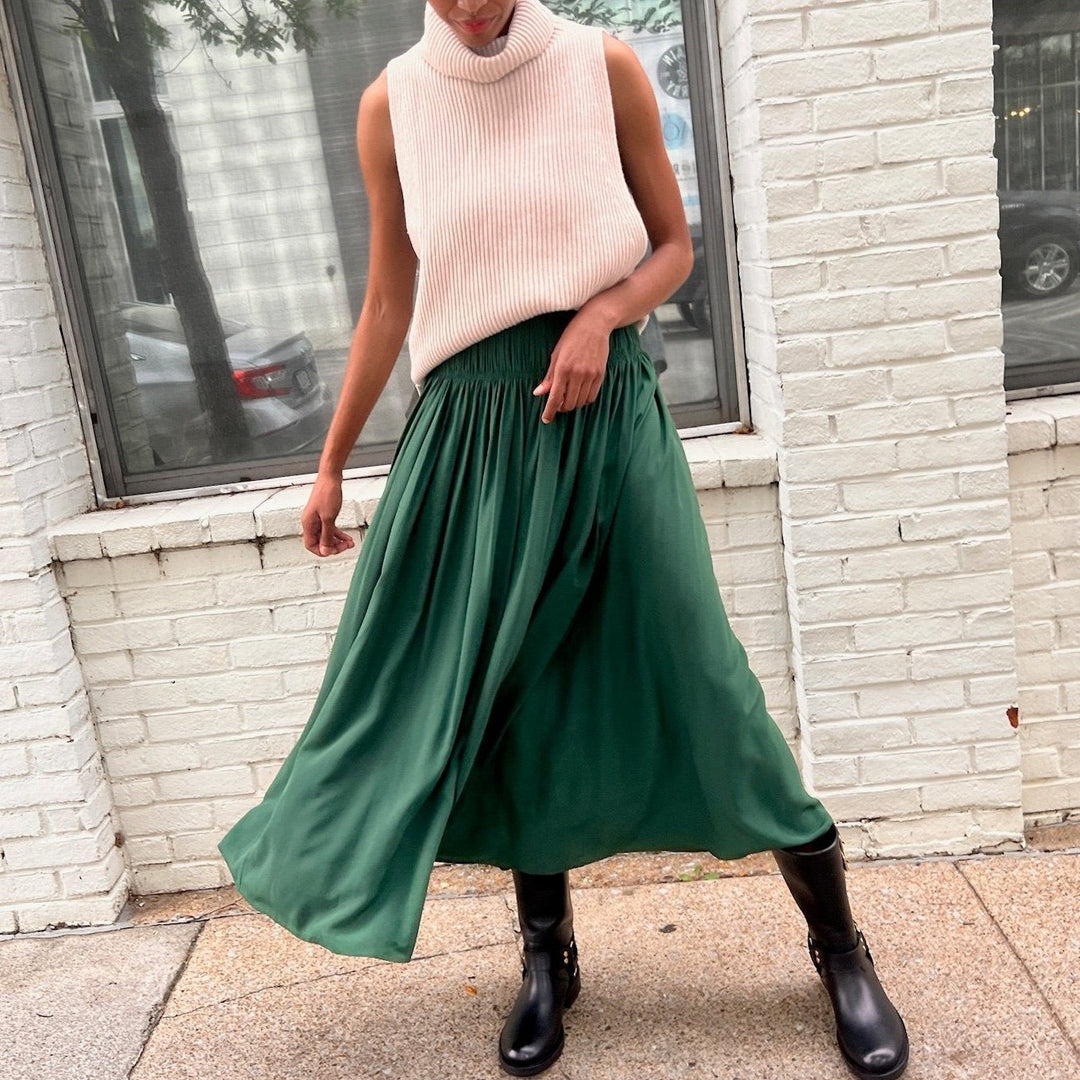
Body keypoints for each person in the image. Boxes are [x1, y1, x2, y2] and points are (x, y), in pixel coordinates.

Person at [217, 1, 910, 1077]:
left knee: (701, 670)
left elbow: (675, 248)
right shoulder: (390, 103)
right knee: (509, 693)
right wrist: (331, 458)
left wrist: (600, 314)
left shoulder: (603, 64)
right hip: (470, 438)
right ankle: (549, 959)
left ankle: (840, 948)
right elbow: (391, 299)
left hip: (605, 415)